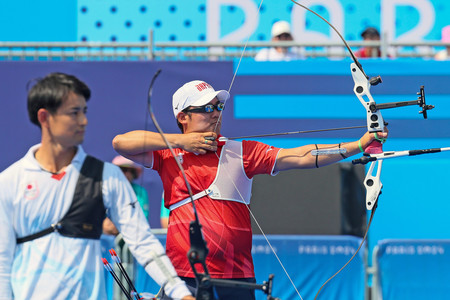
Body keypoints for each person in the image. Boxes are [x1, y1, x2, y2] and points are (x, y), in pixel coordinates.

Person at [112, 80, 388, 299]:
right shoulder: (166, 155)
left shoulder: (240, 151)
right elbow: (120, 143)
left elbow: (301, 156)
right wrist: (180, 142)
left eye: (218, 107)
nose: (216, 113)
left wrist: (359, 145)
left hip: (237, 277)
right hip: (185, 276)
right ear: (183, 117)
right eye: (206, 108)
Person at [0, 73, 194, 300]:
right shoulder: (9, 181)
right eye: (74, 113)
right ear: (45, 117)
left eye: (84, 111)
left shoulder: (108, 177)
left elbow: (144, 243)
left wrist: (181, 294)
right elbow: (3, 262)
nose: (84, 121)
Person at [103, 155, 150, 235]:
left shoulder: (140, 192)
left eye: (131, 171)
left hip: (132, 238)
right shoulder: (104, 189)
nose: (128, 174)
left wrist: (119, 225)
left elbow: (142, 218)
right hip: (106, 241)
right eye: (124, 170)